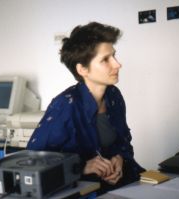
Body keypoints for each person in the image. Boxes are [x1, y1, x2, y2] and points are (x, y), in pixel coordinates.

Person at [26, 22, 145, 194]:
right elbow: (32, 161)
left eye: (114, 56)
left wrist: (120, 159)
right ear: (82, 69)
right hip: (84, 190)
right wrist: (82, 166)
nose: (117, 64)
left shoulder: (113, 96)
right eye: (105, 59)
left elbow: (124, 143)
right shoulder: (65, 105)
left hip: (122, 181)